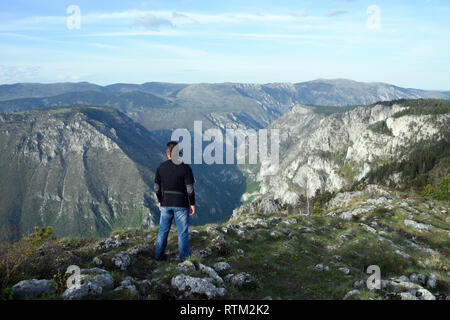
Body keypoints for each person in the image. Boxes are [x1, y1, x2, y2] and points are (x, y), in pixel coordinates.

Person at [154, 141, 196, 262]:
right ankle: (184, 259)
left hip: (166, 202)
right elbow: (190, 189)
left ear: (168, 153)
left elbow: (156, 187)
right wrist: (192, 203)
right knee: (182, 232)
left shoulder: (161, 167)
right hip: (182, 204)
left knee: (163, 230)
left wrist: (159, 200)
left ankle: (159, 256)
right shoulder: (185, 168)